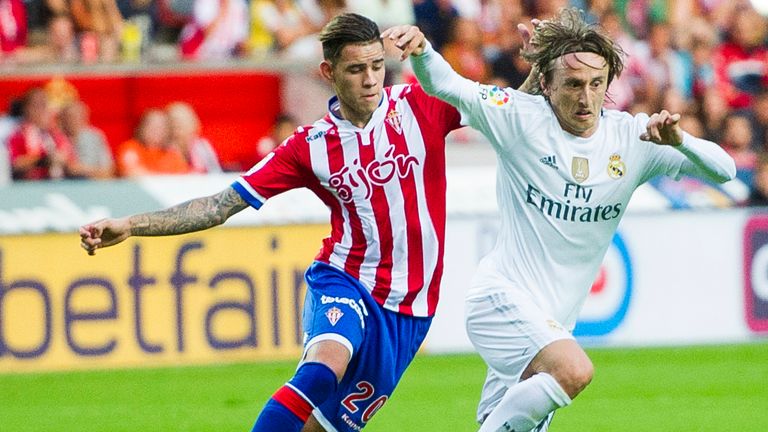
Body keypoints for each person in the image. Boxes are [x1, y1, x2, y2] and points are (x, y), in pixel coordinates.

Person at [80, 13, 463, 432]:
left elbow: (509, 114)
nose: (371, 79)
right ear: (328, 73)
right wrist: (132, 224)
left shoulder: (421, 103)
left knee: (321, 428)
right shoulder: (309, 147)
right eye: (356, 69)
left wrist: (545, 57)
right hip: (346, 280)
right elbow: (220, 205)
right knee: (321, 370)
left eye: (377, 66)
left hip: (411, 309)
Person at [383, 8, 736, 431]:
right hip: (501, 301)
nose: (585, 96)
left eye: (595, 84)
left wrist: (680, 141)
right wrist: (422, 49)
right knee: (574, 371)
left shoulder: (633, 138)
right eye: (572, 84)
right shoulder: (519, 118)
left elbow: (724, 171)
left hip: (549, 325)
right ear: (547, 85)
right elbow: (448, 85)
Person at [115, 108, 191, 177]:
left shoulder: (172, 155)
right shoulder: (129, 148)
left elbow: (184, 178)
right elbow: (131, 173)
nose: (155, 130)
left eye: (160, 127)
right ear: (141, 127)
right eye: (151, 125)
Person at [59, 99, 115, 179]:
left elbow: (108, 170)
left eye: (78, 116)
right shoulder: (57, 138)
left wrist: (82, 169)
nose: (73, 121)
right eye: (69, 116)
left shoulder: (96, 137)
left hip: (94, 186)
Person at [165, 101, 222, 173]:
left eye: (182, 121)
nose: (177, 125)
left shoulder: (202, 145)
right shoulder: (163, 148)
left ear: (193, 122)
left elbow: (216, 172)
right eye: (173, 121)